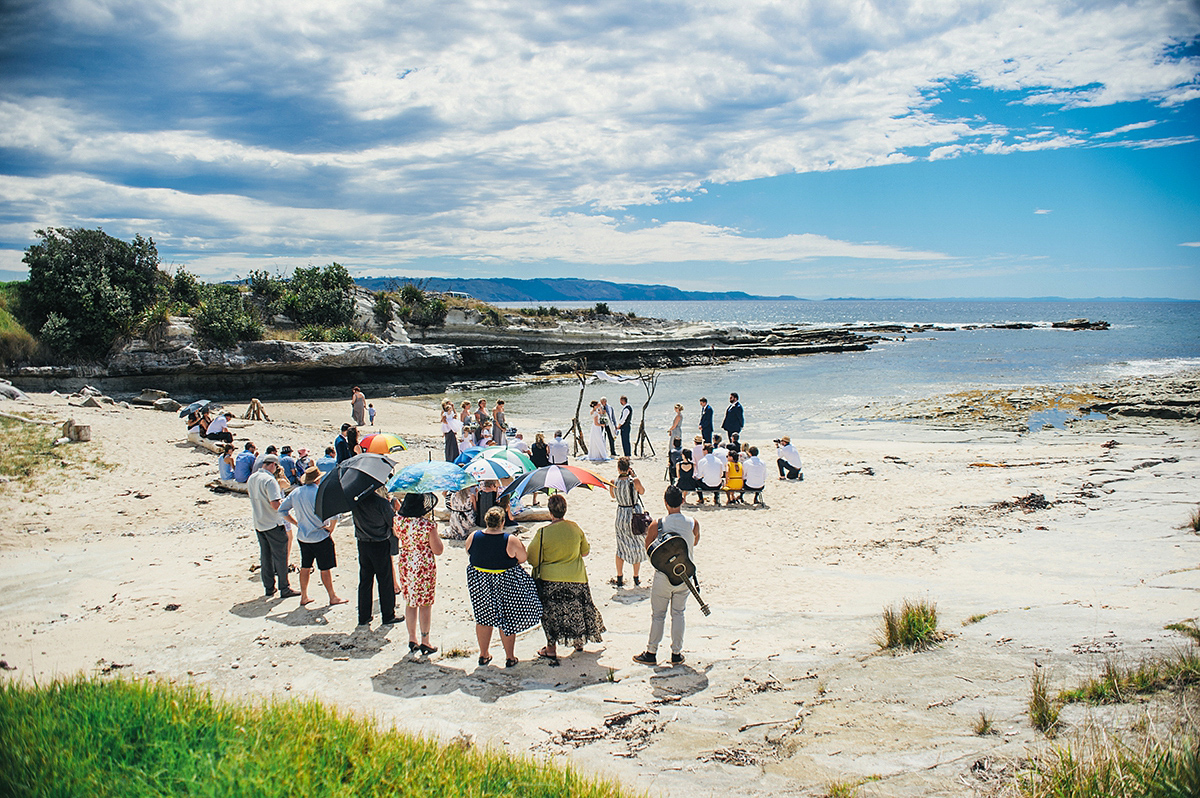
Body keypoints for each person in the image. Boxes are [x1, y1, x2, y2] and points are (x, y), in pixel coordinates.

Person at [527, 494, 605, 663]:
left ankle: (551, 649)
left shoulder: (542, 533)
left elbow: (532, 560)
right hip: (575, 577)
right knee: (577, 610)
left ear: (550, 512)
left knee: (550, 614)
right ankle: (578, 643)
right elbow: (585, 552)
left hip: (550, 579)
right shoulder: (574, 528)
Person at [465, 506, 542, 668]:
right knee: (507, 619)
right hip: (505, 582)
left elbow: (469, 553)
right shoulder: (510, 540)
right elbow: (522, 558)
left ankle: (484, 654)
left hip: (481, 583)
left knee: (483, 618)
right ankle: (509, 656)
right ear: (502, 522)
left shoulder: (473, 536)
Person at [632, 485, 700, 667]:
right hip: (684, 573)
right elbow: (695, 541)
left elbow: (648, 548)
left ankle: (651, 651)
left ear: (665, 502)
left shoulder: (658, 524)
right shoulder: (693, 522)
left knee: (658, 615)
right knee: (678, 613)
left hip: (663, 574)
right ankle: (676, 653)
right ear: (683, 501)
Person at [280, 466, 347, 607]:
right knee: (325, 569)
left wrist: (295, 523)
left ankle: (304, 596)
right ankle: (332, 596)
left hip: (304, 535)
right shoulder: (320, 493)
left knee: (305, 566)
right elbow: (334, 513)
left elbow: (282, 510)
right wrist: (331, 528)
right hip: (320, 535)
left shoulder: (296, 492)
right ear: (318, 479)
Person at [393, 492, 445, 655]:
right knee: (425, 603)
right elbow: (438, 550)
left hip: (407, 562)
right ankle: (425, 640)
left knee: (410, 602)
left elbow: (397, 535)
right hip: (423, 565)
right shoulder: (427, 526)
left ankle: (412, 638)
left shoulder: (398, 521)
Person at [248, 454, 298, 599]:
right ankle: (285, 587)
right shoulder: (270, 481)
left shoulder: (253, 478)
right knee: (281, 556)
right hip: (273, 522)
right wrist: (287, 505)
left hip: (259, 521)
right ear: (273, 465)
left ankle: (269, 587)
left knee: (265, 556)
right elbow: (275, 505)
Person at [353, 485, 398, 627]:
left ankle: (364, 616)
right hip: (379, 543)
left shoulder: (355, 501)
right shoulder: (382, 503)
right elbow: (392, 523)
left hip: (363, 542)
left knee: (365, 580)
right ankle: (388, 615)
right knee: (385, 580)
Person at [608, 457, 646, 587]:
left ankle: (619, 577)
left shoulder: (613, 482)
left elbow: (613, 496)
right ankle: (636, 577)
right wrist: (634, 476)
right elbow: (642, 492)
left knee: (621, 547)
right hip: (634, 512)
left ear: (618, 468)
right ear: (628, 468)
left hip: (621, 514)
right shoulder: (634, 481)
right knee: (636, 545)